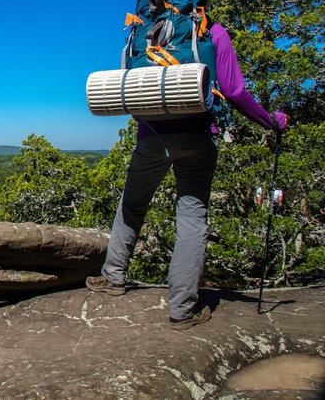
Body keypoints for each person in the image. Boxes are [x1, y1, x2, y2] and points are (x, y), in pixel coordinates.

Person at [86, 21, 288, 331]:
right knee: (192, 215)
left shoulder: (143, 33)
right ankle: (181, 309)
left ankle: (113, 277)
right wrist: (270, 121)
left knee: (132, 203)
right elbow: (234, 90)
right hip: (197, 135)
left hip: (150, 136)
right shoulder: (211, 32)